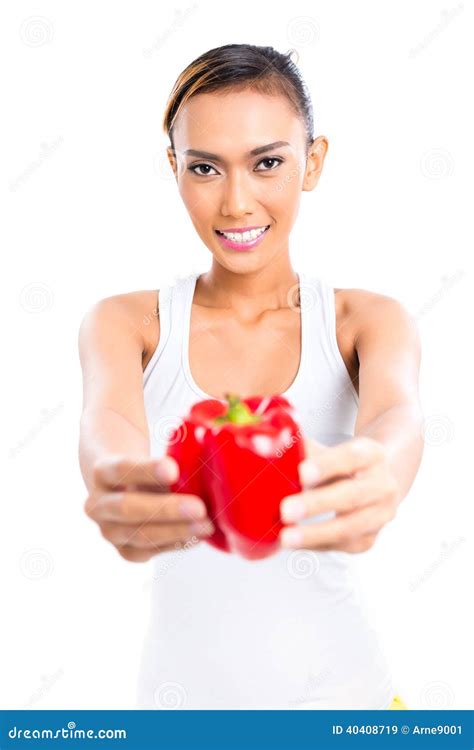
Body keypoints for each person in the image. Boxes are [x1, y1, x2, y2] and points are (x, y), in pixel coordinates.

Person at [78, 44, 423, 709]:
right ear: (175, 168)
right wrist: (118, 482)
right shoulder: (126, 324)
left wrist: (380, 472)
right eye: (205, 167)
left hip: (348, 704)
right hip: (177, 709)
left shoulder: (367, 321)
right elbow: (108, 427)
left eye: (268, 162)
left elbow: (397, 419)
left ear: (313, 162)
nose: (237, 202)